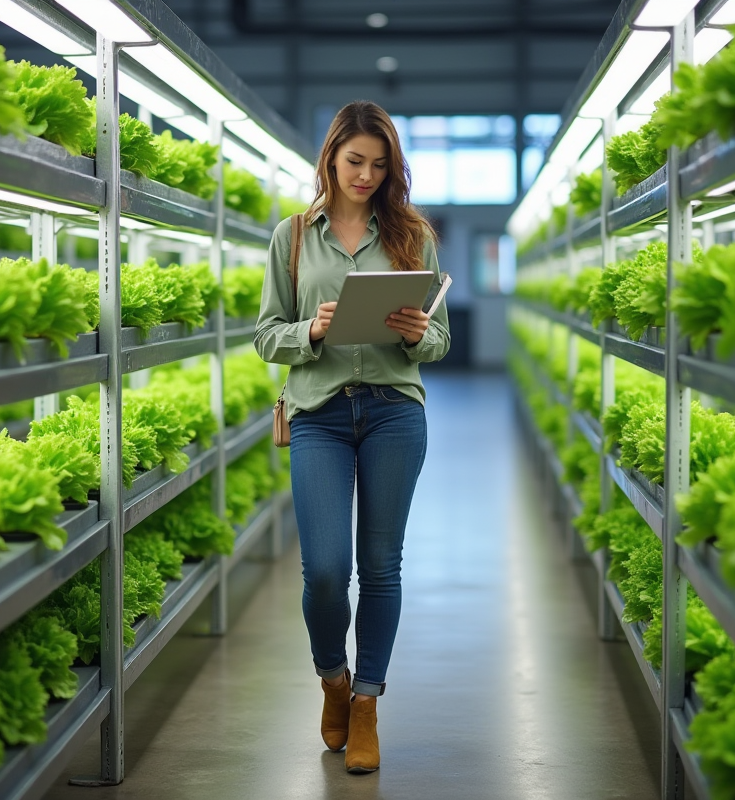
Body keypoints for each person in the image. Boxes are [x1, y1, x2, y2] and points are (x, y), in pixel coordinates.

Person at [254, 100, 450, 774]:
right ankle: (332, 676)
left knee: (381, 565)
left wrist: (418, 334)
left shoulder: (412, 235)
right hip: (319, 413)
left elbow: (440, 337)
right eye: (355, 161)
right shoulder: (291, 237)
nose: (366, 175)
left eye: (380, 165)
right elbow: (266, 334)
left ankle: (365, 702)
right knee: (327, 570)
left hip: (395, 411)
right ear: (331, 159)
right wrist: (310, 329)